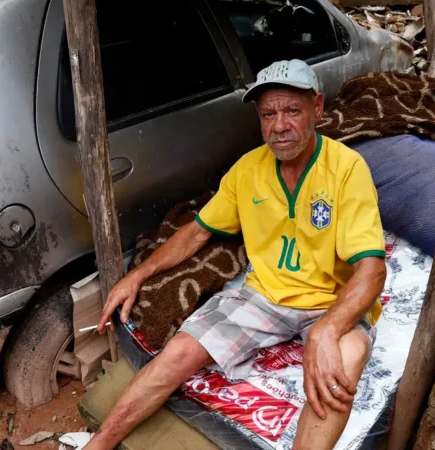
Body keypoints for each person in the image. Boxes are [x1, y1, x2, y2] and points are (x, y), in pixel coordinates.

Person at [89, 59, 387, 450]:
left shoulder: (347, 169)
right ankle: (98, 444)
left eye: (292, 110)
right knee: (178, 351)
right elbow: (196, 232)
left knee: (346, 359)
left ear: (318, 108)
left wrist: (328, 331)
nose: (279, 126)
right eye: (268, 114)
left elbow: (372, 270)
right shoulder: (247, 171)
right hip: (264, 296)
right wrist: (136, 275)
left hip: (333, 303)